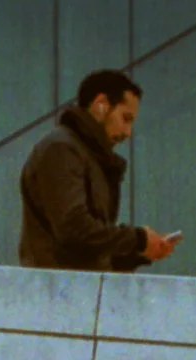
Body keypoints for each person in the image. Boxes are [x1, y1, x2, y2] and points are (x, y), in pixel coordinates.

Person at [20, 70, 183, 273]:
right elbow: (74, 229)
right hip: (59, 291)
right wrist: (138, 239)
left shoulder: (80, 154)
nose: (128, 132)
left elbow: (86, 246)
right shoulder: (62, 149)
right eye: (126, 118)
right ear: (101, 104)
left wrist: (139, 253)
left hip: (68, 289)